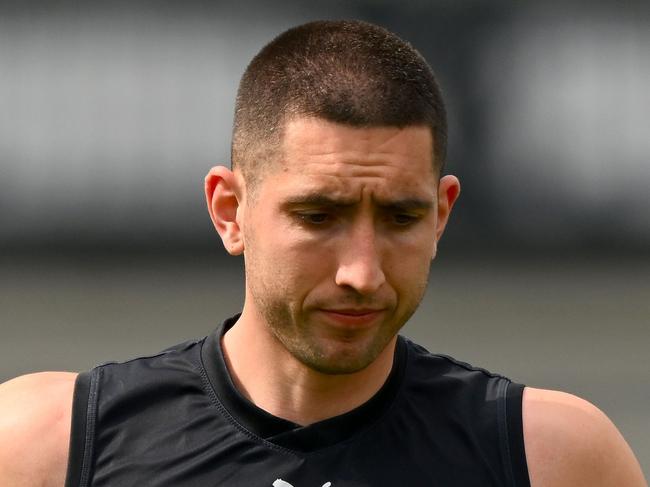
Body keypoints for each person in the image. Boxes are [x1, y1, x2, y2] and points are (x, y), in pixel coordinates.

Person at [0, 20, 645, 487]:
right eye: (317, 216)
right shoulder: (48, 448)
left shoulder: (550, 460)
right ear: (230, 211)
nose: (361, 273)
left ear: (443, 214)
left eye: (401, 217)